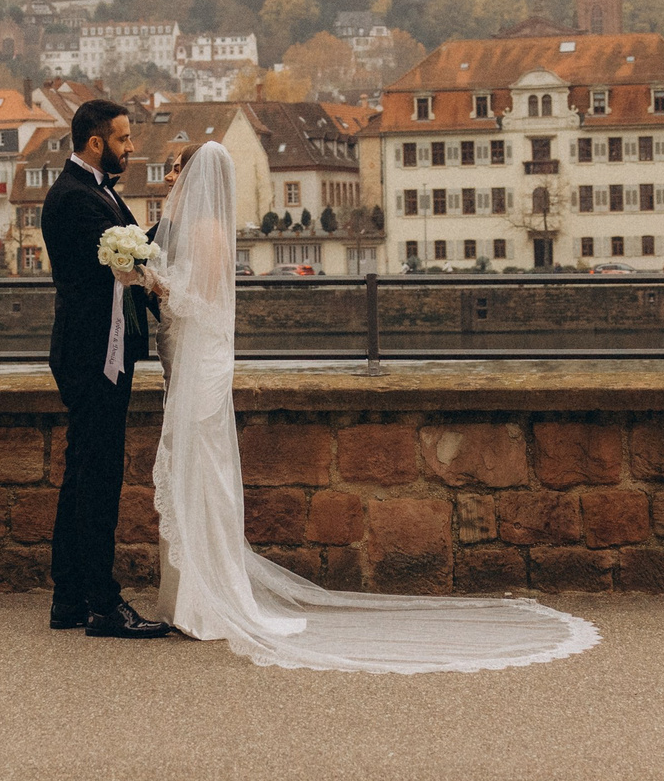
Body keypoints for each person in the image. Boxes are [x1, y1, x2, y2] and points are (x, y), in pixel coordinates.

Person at [148, 141, 600, 673]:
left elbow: (198, 299)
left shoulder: (206, 231)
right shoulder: (197, 228)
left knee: (204, 474)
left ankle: (207, 598)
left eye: (181, 170)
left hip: (201, 361)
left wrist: (150, 281)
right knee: (199, 474)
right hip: (197, 357)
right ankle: (195, 593)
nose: (173, 178)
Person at [42, 99, 174, 639]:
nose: (130, 147)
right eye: (123, 139)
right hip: (93, 355)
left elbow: (134, 250)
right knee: (98, 478)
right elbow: (128, 264)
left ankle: (69, 598)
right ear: (96, 142)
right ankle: (102, 602)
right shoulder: (76, 198)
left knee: (82, 474)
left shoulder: (96, 190)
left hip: (97, 352)